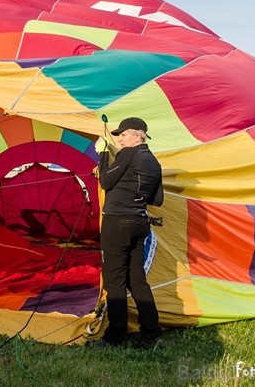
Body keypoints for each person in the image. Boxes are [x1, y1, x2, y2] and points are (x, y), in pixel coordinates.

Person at [89, 117, 163, 349]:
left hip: (117, 222)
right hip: (139, 223)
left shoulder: (129, 154)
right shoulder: (154, 162)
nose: (120, 139)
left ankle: (115, 337)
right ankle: (151, 334)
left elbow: (106, 181)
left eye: (124, 134)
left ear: (138, 135)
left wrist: (102, 155)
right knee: (137, 280)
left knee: (115, 280)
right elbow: (157, 199)